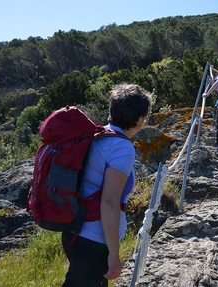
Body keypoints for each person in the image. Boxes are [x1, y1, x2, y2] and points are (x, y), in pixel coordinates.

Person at [61, 84, 152, 287]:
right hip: (94, 240)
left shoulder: (98, 136)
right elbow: (109, 201)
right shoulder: (122, 147)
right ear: (138, 120)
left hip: (73, 231)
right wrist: (113, 254)